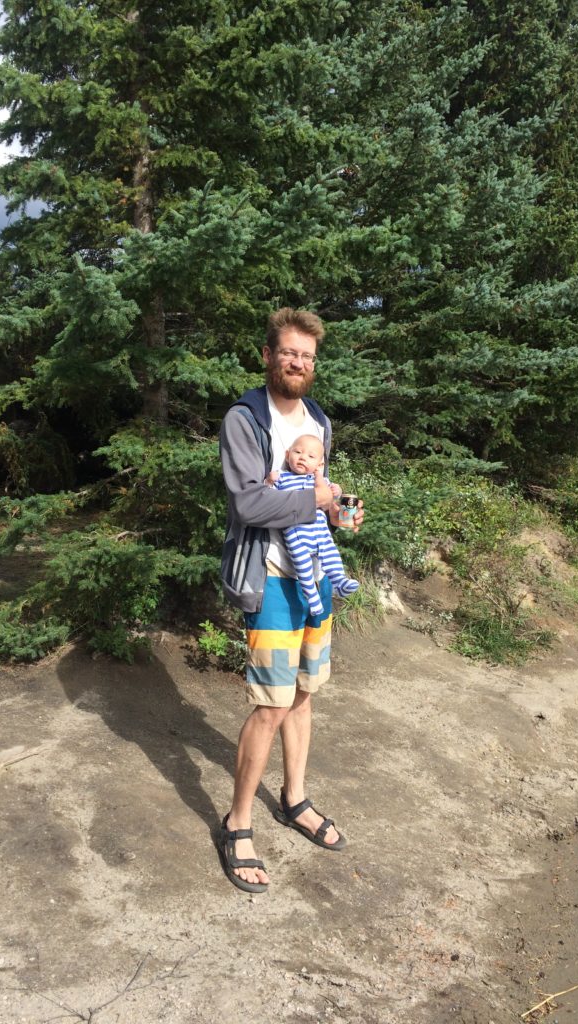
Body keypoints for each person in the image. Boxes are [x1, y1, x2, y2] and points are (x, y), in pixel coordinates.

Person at [218, 307, 363, 893]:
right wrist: (316, 500)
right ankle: (237, 823)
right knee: (271, 705)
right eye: (289, 353)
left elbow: (320, 487)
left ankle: (294, 798)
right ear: (268, 356)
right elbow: (249, 506)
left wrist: (341, 507)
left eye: (307, 356)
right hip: (271, 580)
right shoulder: (244, 420)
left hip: (316, 582)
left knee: (304, 694)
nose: (298, 363)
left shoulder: (318, 420)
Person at [267, 434, 359, 616]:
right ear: (287, 455)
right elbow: (268, 498)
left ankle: (339, 582)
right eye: (298, 452)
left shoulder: (319, 480)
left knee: (331, 554)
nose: (302, 457)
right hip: (295, 533)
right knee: (303, 566)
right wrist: (270, 480)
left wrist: (336, 490)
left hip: (320, 532)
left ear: (319, 465)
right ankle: (312, 598)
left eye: (310, 456)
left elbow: (334, 492)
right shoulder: (283, 478)